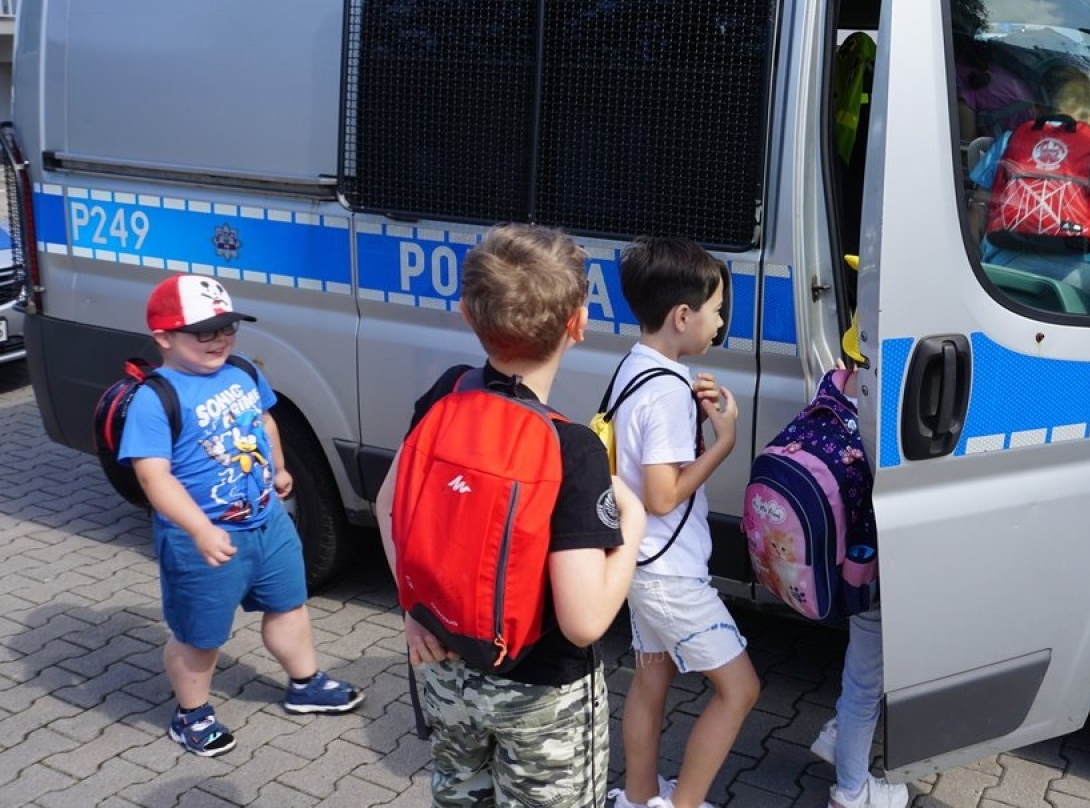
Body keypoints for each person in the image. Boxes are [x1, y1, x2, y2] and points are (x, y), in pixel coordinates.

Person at [377, 224, 646, 807]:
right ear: (578, 323)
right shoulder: (572, 449)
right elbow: (583, 621)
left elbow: (387, 504)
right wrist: (634, 526)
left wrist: (416, 612)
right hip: (542, 698)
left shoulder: (447, 394)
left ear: (467, 315)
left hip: (445, 671)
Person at [118, 274, 364, 758]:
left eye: (226, 327)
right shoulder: (155, 398)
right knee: (199, 636)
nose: (219, 340)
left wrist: (280, 469)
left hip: (268, 522)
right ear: (163, 338)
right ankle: (191, 715)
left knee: (289, 605)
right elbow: (154, 478)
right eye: (203, 332)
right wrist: (199, 529)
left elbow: (265, 420)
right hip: (202, 541)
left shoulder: (243, 370)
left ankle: (305, 683)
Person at [610, 237, 758, 808]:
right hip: (670, 574)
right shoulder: (669, 391)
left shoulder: (634, 368)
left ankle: (639, 796)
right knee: (740, 689)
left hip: (640, 561)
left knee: (652, 678)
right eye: (716, 311)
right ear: (682, 316)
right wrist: (724, 441)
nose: (719, 324)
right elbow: (663, 495)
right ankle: (683, 803)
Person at [808, 356, 909, 808]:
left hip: (846, 559)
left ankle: (839, 733)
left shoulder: (833, 384)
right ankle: (850, 791)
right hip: (881, 566)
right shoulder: (897, 397)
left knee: (861, 672)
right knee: (865, 683)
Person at [968, 62, 1090, 301]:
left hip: (1009, 264)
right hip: (1087, 267)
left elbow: (979, 205)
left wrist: (975, 258)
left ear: (1033, 111)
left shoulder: (1010, 140)